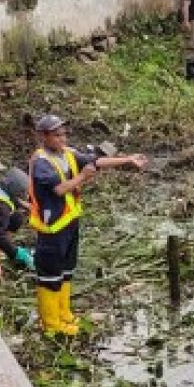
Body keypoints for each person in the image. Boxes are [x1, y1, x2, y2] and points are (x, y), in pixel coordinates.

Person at [30, 115, 148, 336]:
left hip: (69, 223)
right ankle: (51, 324)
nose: (62, 139)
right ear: (44, 136)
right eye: (57, 135)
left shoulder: (68, 153)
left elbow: (95, 162)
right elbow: (59, 189)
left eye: (64, 134)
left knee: (67, 270)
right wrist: (83, 178)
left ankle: (64, 313)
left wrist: (127, 160)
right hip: (51, 229)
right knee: (50, 276)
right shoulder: (41, 162)